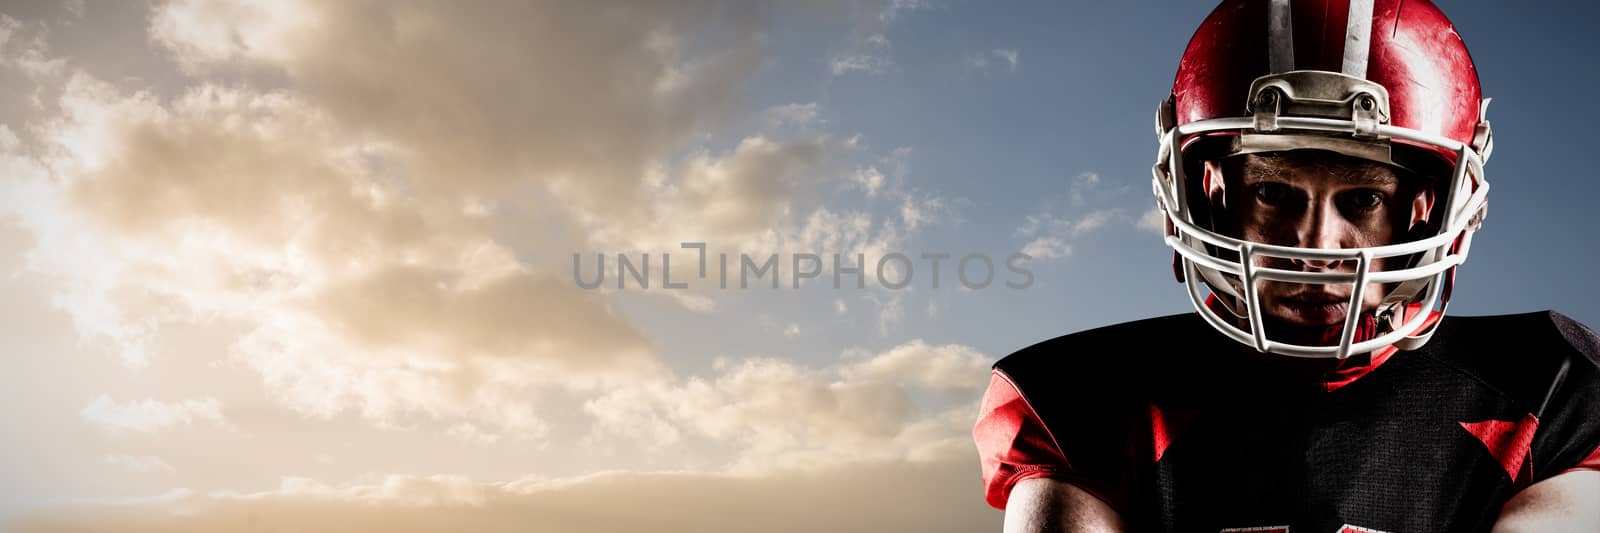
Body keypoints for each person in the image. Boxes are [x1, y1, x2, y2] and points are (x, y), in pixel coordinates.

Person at [970, 1, 1600, 531]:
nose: (1316, 244)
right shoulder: (1081, 399)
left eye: (1363, 198)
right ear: (1211, 194)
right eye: (1273, 192)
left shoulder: (1549, 393)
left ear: (1425, 207)